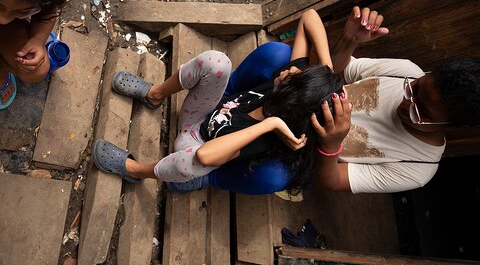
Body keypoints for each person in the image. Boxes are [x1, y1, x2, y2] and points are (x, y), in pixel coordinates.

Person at [204, 6, 480, 194]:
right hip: (292, 101)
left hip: (300, 148)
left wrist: (331, 145)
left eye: (421, 111)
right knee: (277, 53)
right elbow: (334, 71)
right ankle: (224, 91)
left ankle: (210, 176)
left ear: (452, 126)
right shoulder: (404, 71)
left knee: (272, 178)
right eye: (415, 90)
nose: (407, 103)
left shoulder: (419, 168)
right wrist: (348, 42)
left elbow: (330, 182)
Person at [91, 10, 343, 191]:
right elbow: (309, 16)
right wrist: (327, 77)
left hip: (193, 144)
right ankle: (154, 95)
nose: (289, 70)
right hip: (202, 112)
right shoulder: (287, 83)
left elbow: (206, 156)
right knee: (217, 62)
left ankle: (135, 170)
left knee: (195, 163)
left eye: (293, 78)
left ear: (289, 103)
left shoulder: (265, 138)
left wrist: (270, 124)